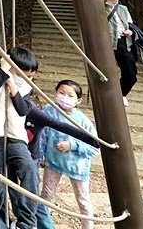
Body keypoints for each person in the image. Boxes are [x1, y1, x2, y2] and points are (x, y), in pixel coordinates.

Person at [0, 47, 39, 229]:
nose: (26, 78)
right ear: (11, 65)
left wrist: (12, 84)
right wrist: (4, 71)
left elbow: (23, 109)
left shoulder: (25, 86)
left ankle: (27, 223)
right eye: (22, 73)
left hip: (14, 138)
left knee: (29, 170)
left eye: (29, 76)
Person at [40, 79, 99, 229]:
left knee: (83, 200)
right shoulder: (49, 110)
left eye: (70, 95)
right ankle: (41, 223)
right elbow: (42, 133)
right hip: (53, 162)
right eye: (61, 93)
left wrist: (72, 145)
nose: (64, 97)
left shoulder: (84, 122)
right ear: (55, 92)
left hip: (77, 167)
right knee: (46, 195)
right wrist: (41, 154)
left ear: (78, 100)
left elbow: (94, 148)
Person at [102, 0, 136, 105]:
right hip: (106, 43)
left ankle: (121, 93)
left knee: (131, 74)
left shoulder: (123, 9)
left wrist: (130, 32)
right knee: (105, 73)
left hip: (123, 42)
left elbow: (131, 25)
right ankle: (113, 95)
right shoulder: (98, 9)